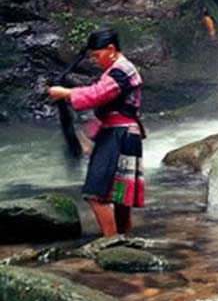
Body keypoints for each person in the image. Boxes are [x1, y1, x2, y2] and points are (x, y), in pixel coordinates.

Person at [47, 28, 145, 237]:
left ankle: (110, 241)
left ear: (111, 49)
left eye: (97, 55)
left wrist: (67, 93)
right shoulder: (122, 70)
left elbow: (97, 95)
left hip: (119, 136)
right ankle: (122, 241)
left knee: (95, 193)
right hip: (125, 134)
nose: (95, 60)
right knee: (120, 198)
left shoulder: (122, 71)